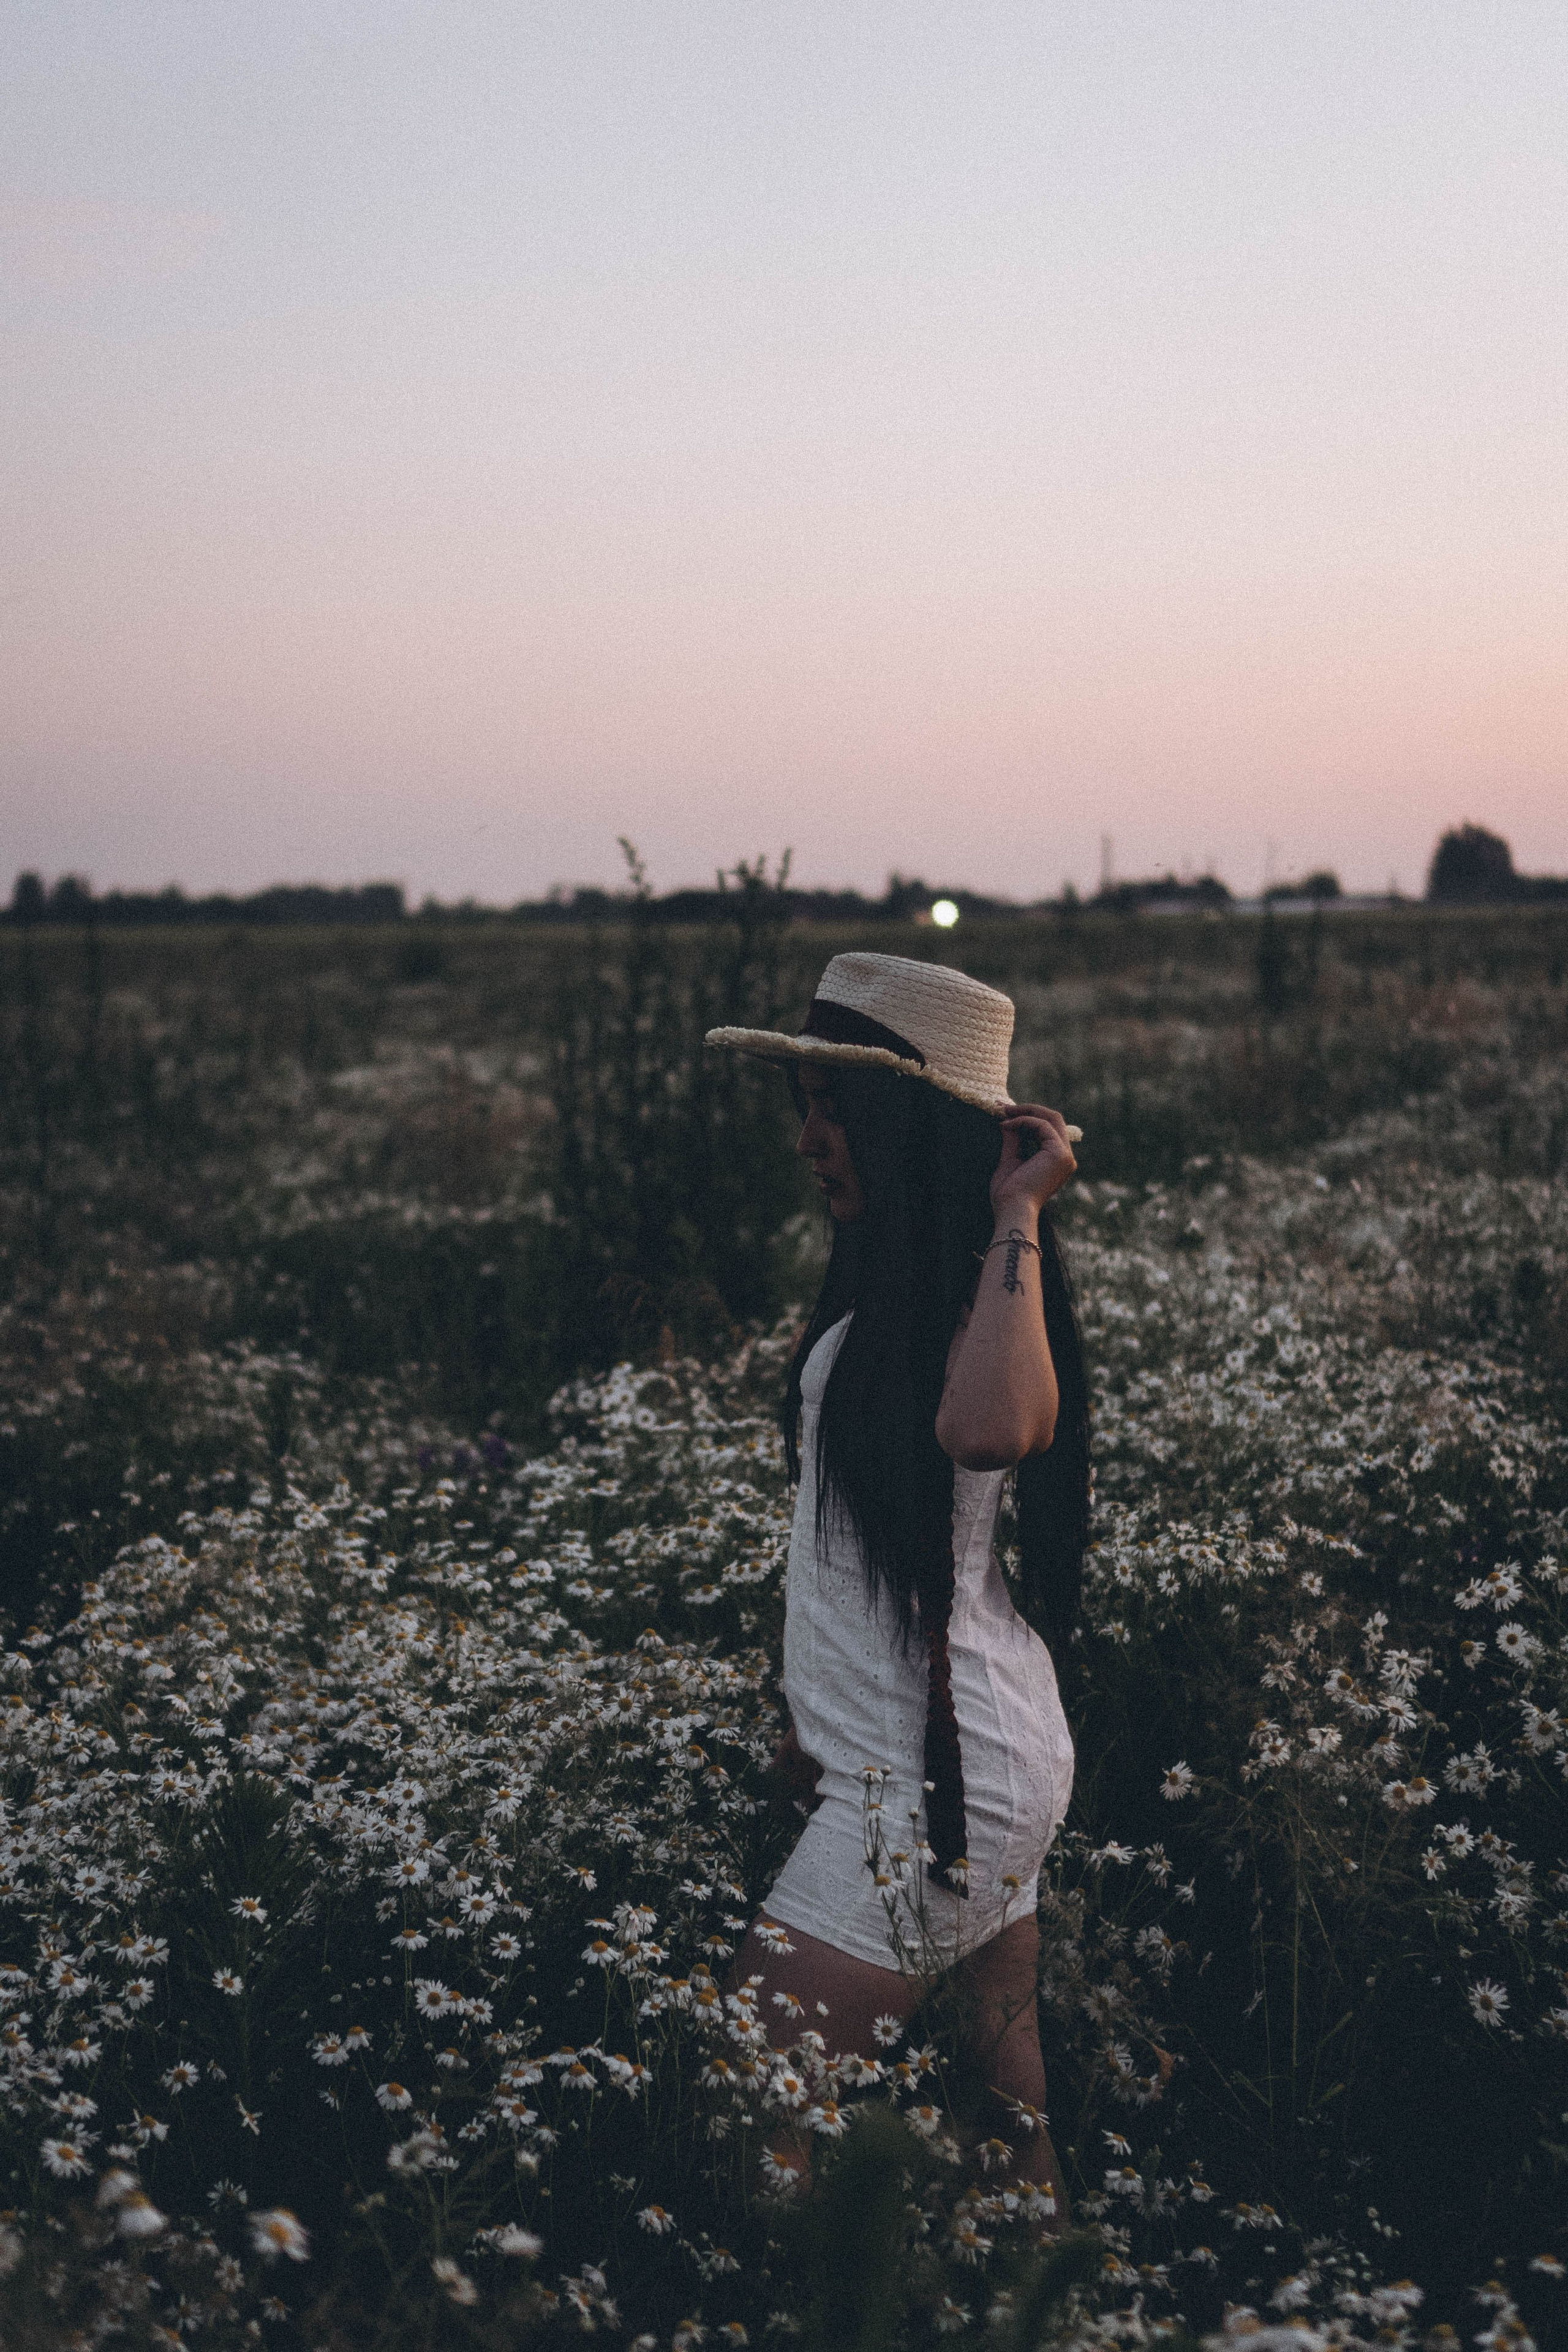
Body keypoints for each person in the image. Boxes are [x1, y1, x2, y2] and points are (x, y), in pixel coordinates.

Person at [705, 953, 1089, 2210]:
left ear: (910, 1126)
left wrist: (1018, 1209)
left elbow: (989, 1433)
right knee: (1003, 2114)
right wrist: (810, 1719)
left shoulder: (976, 1290)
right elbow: (859, 1556)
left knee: (748, 2118)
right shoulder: (901, 1279)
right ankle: (1045, 2311)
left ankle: (800, 2313)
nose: (812, 1140)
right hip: (956, 1758)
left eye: (841, 1110)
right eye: (802, 1105)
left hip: (933, 1787)